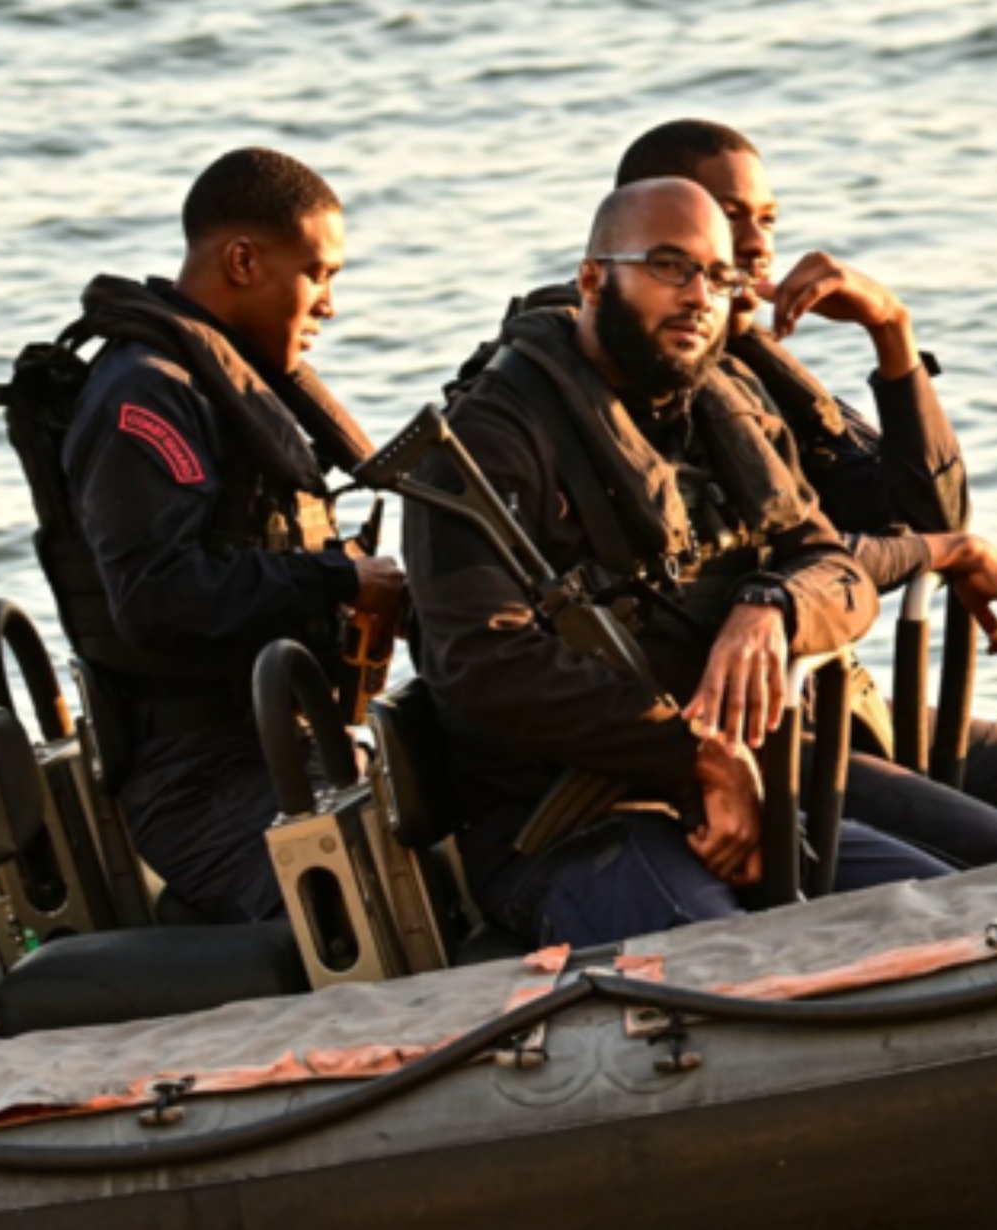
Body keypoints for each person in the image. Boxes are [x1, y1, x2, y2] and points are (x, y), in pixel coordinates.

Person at [404, 178, 959, 950]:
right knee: (731, 960)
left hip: (740, 778)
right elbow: (480, 662)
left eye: (719, 276)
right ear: (593, 278)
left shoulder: (717, 412)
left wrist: (771, 607)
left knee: (961, 904)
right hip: (564, 824)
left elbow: (834, 568)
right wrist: (695, 755)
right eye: (669, 267)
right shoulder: (485, 441)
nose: (700, 296)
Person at [613, 120, 997, 866]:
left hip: (838, 700)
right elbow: (770, 563)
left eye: (767, 220)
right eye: (730, 218)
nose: (757, 246)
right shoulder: (642, 383)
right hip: (751, 731)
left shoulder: (756, 368)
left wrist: (892, 333)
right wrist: (946, 551)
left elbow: (927, 516)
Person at [49, 148, 403, 922]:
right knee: (375, 900)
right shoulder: (146, 396)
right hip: (197, 780)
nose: (329, 306)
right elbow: (158, 597)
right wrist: (340, 580)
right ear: (243, 261)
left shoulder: (223, 380)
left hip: (280, 739)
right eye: (318, 274)